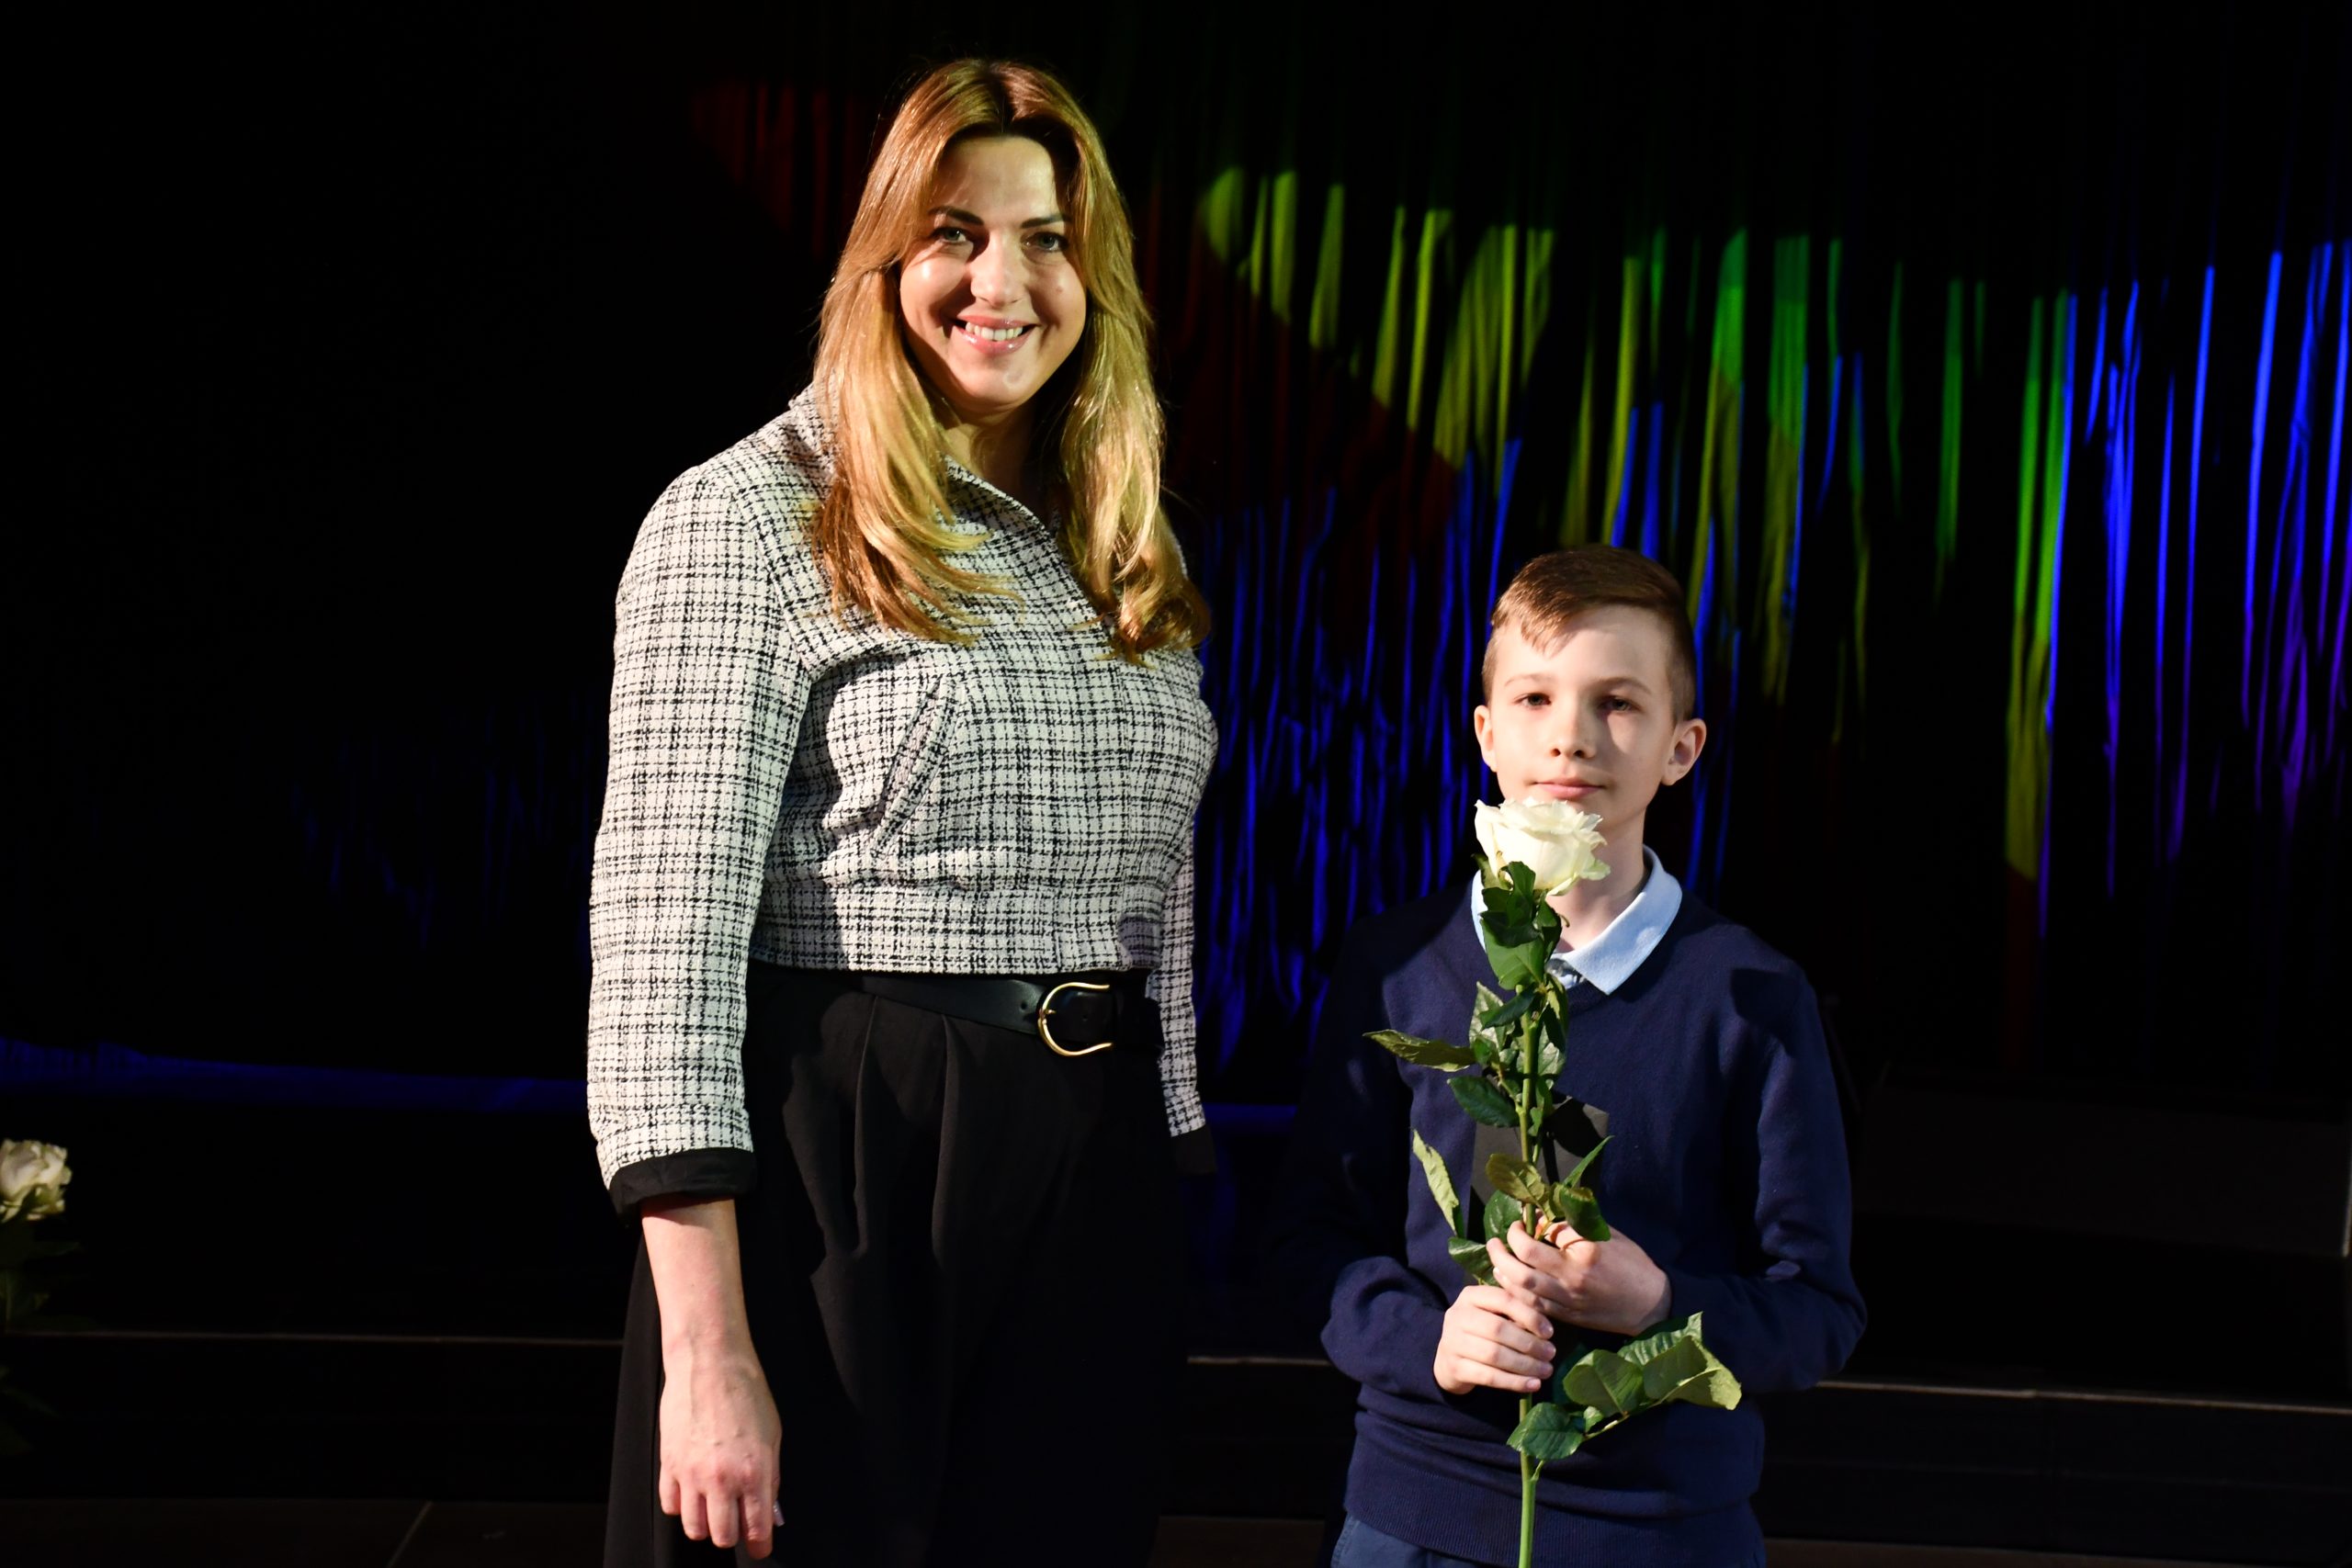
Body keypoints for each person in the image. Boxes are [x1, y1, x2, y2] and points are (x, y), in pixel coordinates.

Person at [585, 59, 1216, 1568]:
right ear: (884, 261)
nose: (1006, 280)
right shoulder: (746, 517)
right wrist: (706, 1355)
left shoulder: (1113, 538)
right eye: (957, 233)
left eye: (1048, 239)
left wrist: (1173, 1136)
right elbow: (661, 956)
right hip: (850, 1170)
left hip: (1089, 1167)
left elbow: (1159, 885)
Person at [1269, 546, 1864, 1568]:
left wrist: (1660, 1304)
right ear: (1486, 734)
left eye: (1617, 703)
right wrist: (1429, 1340)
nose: (1571, 736)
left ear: (1681, 748)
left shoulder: (1753, 998)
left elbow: (1818, 1310)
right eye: (1536, 698)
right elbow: (1307, 1244)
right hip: (1418, 1516)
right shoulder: (1396, 968)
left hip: (1662, 1530)